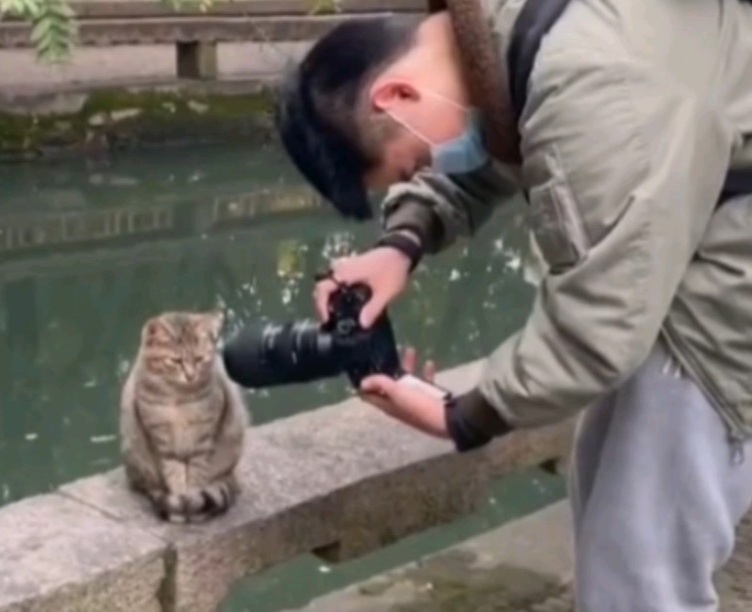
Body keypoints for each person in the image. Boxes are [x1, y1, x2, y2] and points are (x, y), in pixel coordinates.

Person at [274, 0, 752, 610]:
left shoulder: (596, 84)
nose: (427, 168)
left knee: (642, 575)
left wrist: (465, 413)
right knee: (609, 511)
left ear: (395, 94)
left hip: (722, 302)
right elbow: (504, 135)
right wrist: (403, 241)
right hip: (692, 247)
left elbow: (599, 329)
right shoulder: (505, 30)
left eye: (413, 164)